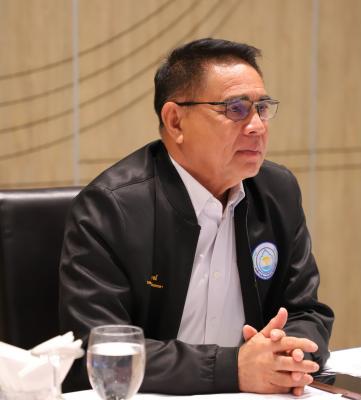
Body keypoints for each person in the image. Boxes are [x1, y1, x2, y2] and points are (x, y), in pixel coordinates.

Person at [59, 38, 334, 396]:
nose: (257, 126)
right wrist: (232, 368)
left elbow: (306, 312)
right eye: (236, 108)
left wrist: (288, 356)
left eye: (262, 108)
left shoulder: (276, 192)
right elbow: (100, 347)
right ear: (175, 121)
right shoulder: (110, 208)